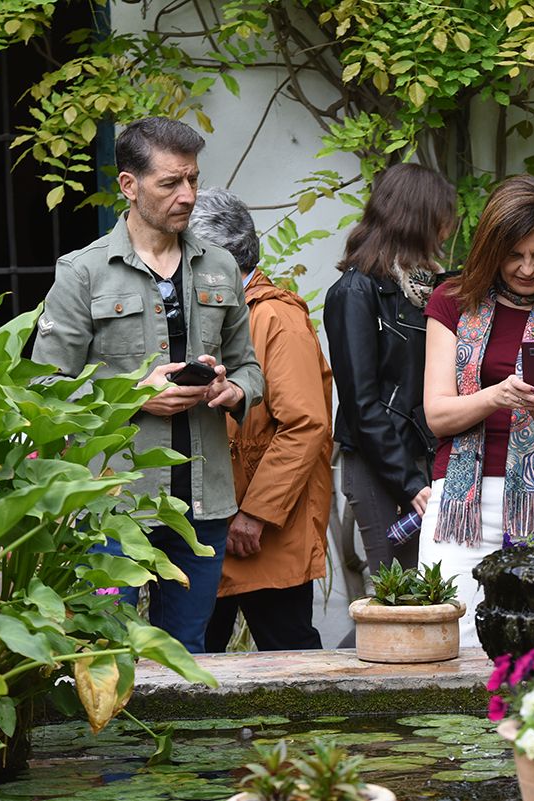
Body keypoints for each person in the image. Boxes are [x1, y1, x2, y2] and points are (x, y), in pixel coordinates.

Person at [32, 117, 264, 653]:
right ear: (129, 186)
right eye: (170, 183)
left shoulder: (222, 266)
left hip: (203, 504)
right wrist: (136, 396)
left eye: (193, 180)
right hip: (115, 503)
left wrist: (233, 390)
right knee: (101, 652)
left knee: (187, 652)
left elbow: (249, 369)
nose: (187, 195)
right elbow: (44, 388)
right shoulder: (82, 273)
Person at [419, 174, 534, 647]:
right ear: (490, 248)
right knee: (452, 642)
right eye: (514, 254)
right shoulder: (451, 303)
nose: (527, 267)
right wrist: (496, 396)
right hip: (464, 504)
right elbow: (437, 414)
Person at [187, 187, 333, 653]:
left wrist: (254, 515)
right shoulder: (220, 311)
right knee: (195, 656)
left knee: (288, 653)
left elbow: (305, 425)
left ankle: (311, 732)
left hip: (264, 529)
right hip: (218, 523)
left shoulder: (275, 317)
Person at [324, 163, 456, 592]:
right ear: (416, 218)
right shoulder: (355, 292)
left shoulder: (426, 291)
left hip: (424, 456)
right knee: (397, 596)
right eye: (440, 218)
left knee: (433, 590)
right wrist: (410, 481)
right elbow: (362, 405)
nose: (446, 230)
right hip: (381, 467)